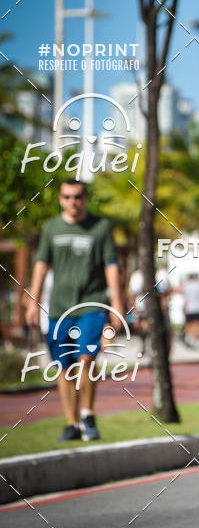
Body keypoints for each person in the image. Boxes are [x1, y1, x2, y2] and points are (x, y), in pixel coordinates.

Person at [25, 179, 124, 441]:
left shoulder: (100, 227)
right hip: (59, 308)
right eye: (68, 197)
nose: (73, 202)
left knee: (86, 358)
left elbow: (111, 265)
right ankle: (71, 423)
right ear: (61, 199)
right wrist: (33, 302)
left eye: (78, 197)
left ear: (85, 198)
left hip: (91, 304)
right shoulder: (51, 228)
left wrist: (117, 303)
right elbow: (41, 265)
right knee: (64, 367)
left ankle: (87, 415)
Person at [182, 273, 199, 345]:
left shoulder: (187, 285)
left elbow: (185, 298)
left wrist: (184, 307)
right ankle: (195, 340)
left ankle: (188, 338)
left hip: (190, 308)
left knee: (189, 324)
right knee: (197, 324)